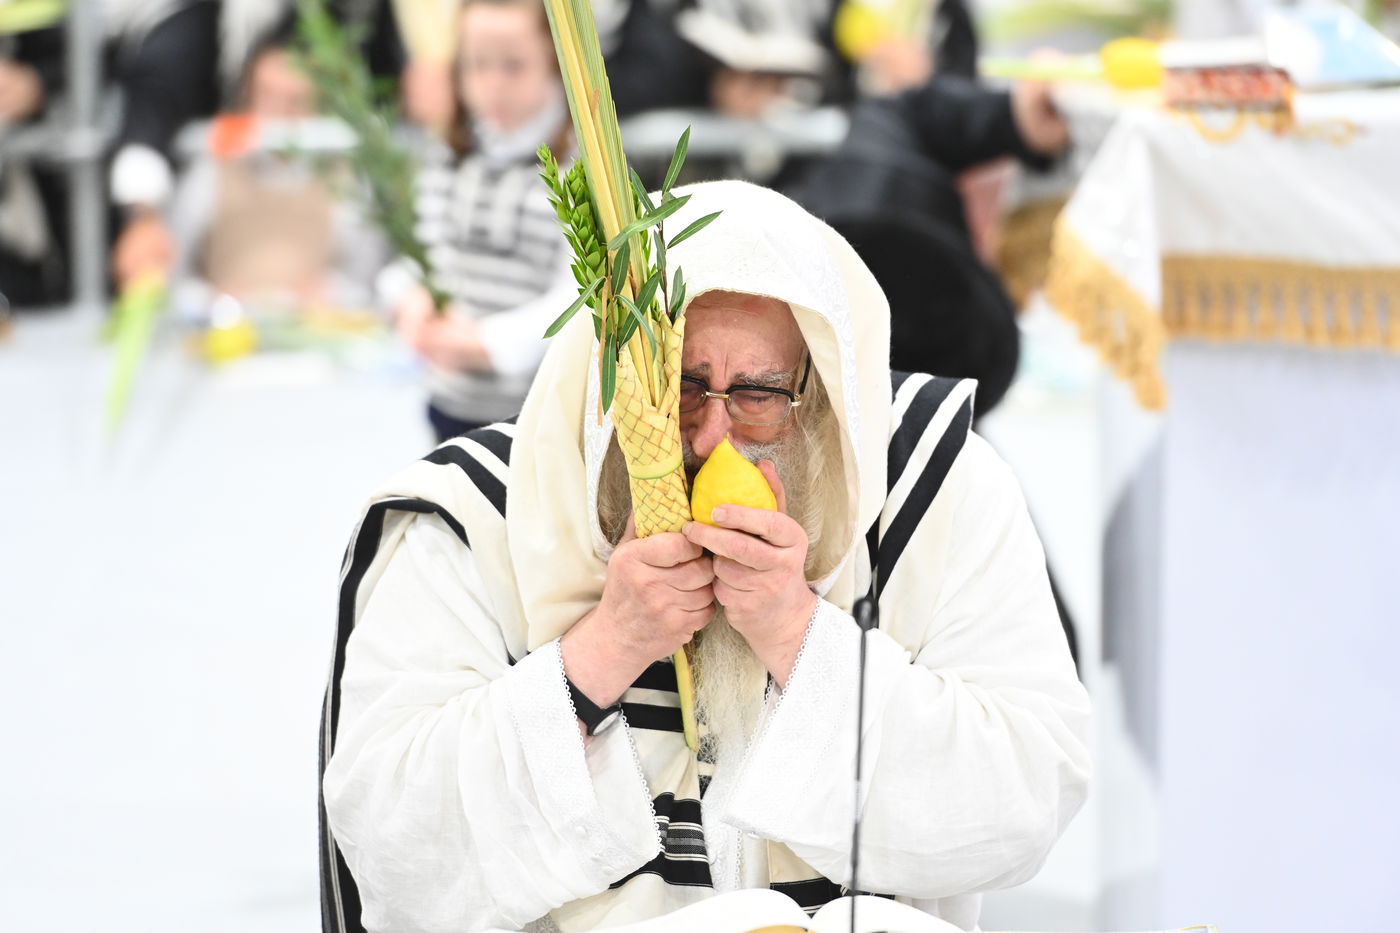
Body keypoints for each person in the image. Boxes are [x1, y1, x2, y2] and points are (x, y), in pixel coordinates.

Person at [320, 180, 1091, 933]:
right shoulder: (472, 514)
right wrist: (601, 650)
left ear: (817, 393)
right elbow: (393, 844)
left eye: (757, 394)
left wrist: (797, 632)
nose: (711, 438)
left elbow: (1027, 792)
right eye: (682, 385)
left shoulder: (936, 490)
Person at [788, 75, 1068, 416]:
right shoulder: (881, 171)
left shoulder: (878, 169)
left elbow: (908, 115)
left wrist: (1010, 118)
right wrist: (1009, 118)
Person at [382, 0, 577, 441]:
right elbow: (421, 255)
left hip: (535, 415)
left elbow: (580, 295)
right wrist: (412, 300)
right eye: (477, 65)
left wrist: (488, 344)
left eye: (513, 66)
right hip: (450, 401)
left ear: (554, 62)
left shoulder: (575, 170)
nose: (493, 84)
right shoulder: (449, 160)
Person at [165, 24, 388, 317]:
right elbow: (168, 274)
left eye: (296, 101)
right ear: (246, 97)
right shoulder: (211, 169)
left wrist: (329, 293)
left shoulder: (347, 180)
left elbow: (368, 283)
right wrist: (213, 299)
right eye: (267, 96)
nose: (280, 114)